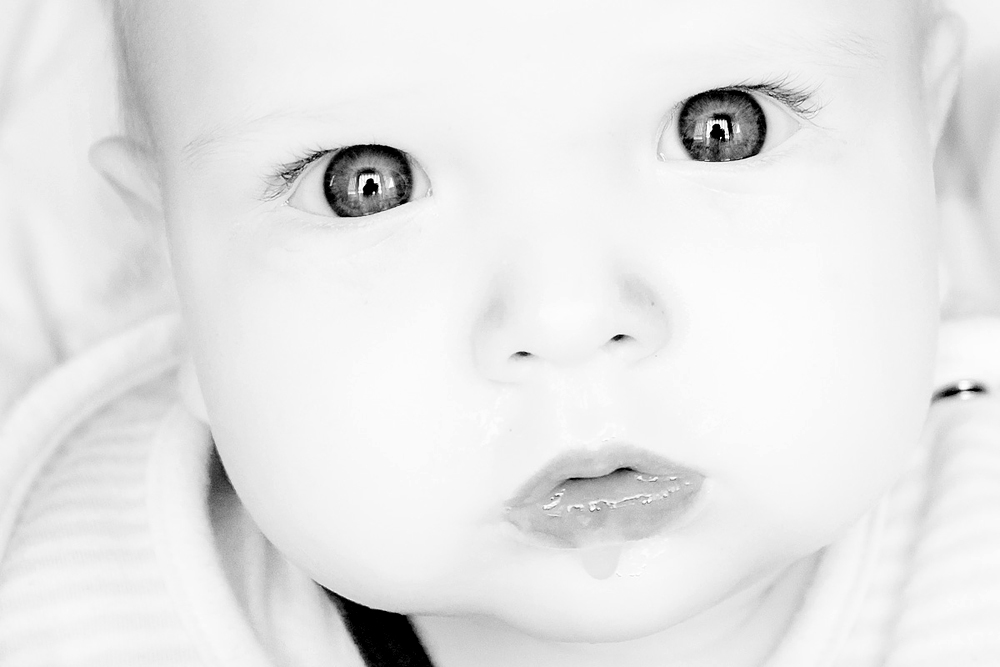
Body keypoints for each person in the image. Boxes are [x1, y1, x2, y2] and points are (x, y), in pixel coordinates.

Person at [2, 0, 999, 665]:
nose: (566, 320)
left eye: (720, 129)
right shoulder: (59, 598)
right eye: (366, 184)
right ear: (178, 270)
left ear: (924, 146)